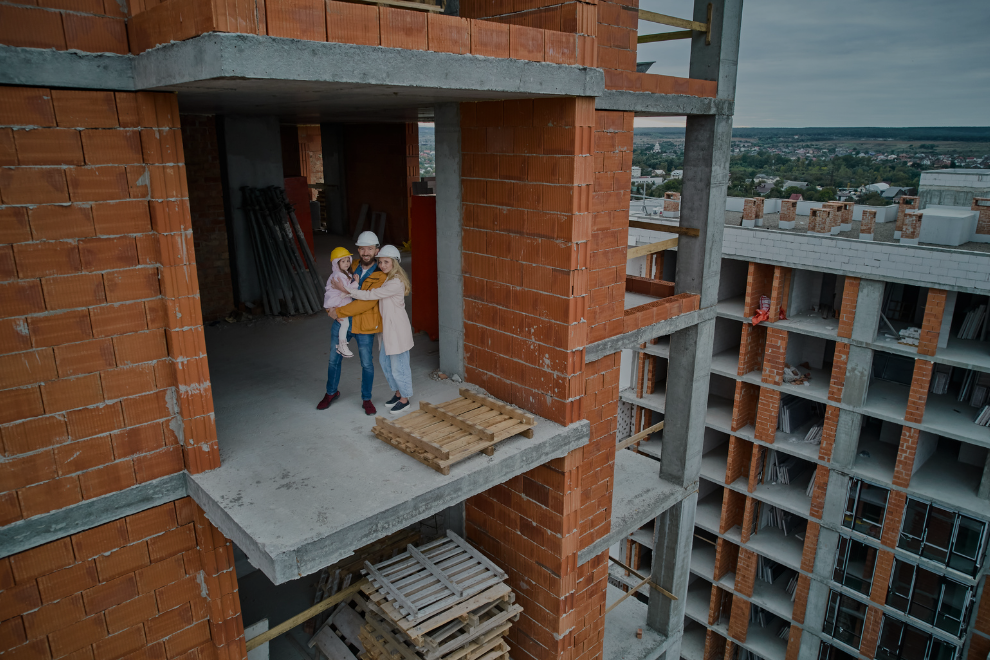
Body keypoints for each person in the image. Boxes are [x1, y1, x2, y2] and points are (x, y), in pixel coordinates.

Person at [332, 244, 414, 414]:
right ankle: (398, 393)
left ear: (395, 263)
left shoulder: (395, 282)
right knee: (385, 363)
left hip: (397, 330)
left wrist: (345, 290)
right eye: (380, 262)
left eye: (386, 262)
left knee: (399, 366)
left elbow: (371, 295)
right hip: (386, 330)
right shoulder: (387, 278)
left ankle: (405, 399)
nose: (382, 265)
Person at [318, 231, 385, 415]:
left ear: (376, 251)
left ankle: (366, 399)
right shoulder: (349, 265)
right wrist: (329, 309)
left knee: (367, 364)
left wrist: (337, 311)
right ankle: (331, 392)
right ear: (358, 250)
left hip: (365, 324)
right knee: (333, 360)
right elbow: (332, 286)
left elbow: (367, 302)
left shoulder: (380, 276)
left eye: (369, 249)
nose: (365, 252)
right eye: (362, 248)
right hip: (342, 322)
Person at [323, 247, 358, 358]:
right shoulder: (338, 275)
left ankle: (341, 345)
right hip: (338, 302)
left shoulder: (342, 274)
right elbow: (347, 290)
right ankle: (342, 345)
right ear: (336, 263)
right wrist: (356, 283)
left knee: (344, 323)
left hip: (339, 300)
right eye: (343, 261)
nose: (347, 263)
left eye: (348, 260)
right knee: (345, 323)